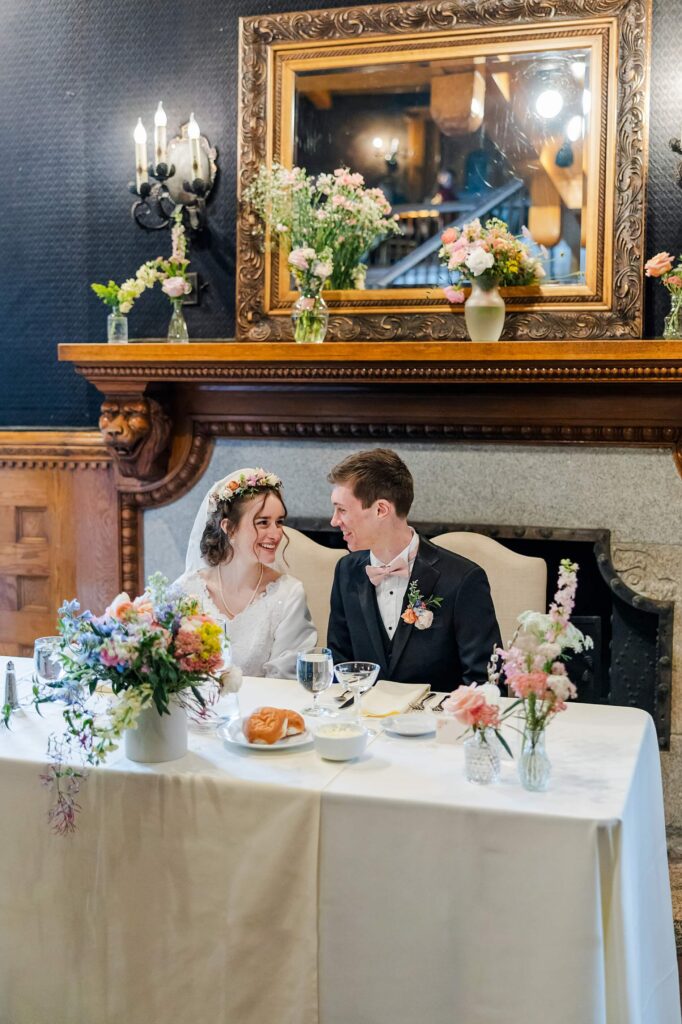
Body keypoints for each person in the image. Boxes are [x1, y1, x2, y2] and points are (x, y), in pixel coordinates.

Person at [327, 449, 501, 690]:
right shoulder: (346, 570)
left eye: (342, 509)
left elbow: (486, 683)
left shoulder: (463, 580)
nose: (334, 521)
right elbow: (339, 664)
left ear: (381, 510)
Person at [176, 467, 316, 678]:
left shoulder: (288, 594)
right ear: (229, 528)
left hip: (266, 710)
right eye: (262, 523)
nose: (276, 534)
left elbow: (286, 681)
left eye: (279, 522)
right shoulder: (186, 591)